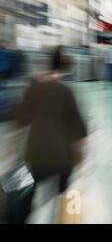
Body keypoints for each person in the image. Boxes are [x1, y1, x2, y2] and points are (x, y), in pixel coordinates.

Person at [13, 46, 87, 223]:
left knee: (26, 195)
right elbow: (78, 134)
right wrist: (80, 161)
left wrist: (15, 154)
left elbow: (19, 124)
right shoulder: (67, 91)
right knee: (66, 197)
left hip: (35, 154)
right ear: (68, 68)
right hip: (62, 157)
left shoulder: (33, 87)